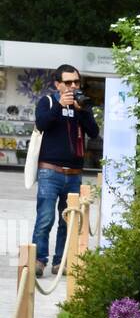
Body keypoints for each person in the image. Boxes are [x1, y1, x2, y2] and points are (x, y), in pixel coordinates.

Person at [32, 64, 99, 277]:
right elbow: (41, 123)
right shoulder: (48, 101)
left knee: (67, 220)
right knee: (45, 218)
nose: (73, 86)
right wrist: (60, 105)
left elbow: (94, 132)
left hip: (74, 174)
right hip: (50, 171)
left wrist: (83, 112)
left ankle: (60, 261)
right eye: (68, 82)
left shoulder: (81, 106)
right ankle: (39, 260)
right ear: (57, 84)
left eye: (76, 82)